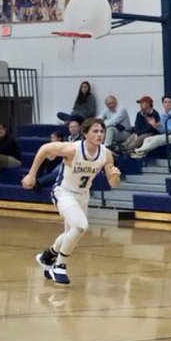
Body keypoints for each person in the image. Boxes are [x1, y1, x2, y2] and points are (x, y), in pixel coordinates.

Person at [21, 117, 122, 285]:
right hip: (64, 192)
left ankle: (48, 256)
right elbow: (45, 148)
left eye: (102, 131)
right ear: (85, 133)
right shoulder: (72, 149)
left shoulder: (106, 154)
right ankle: (59, 265)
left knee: (72, 233)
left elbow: (113, 184)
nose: (99, 134)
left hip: (83, 195)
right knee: (81, 226)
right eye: (95, 131)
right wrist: (31, 174)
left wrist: (114, 176)